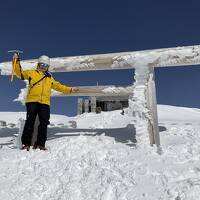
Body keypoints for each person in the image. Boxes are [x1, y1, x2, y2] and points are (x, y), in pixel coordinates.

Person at [13, 53, 79, 151]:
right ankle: (25, 143)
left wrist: (70, 89)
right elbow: (19, 73)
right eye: (41, 65)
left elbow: (59, 86)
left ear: (48, 67)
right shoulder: (31, 73)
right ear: (38, 65)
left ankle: (40, 144)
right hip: (32, 101)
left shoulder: (49, 78)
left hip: (45, 103)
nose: (43, 67)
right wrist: (16, 61)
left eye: (45, 65)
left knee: (44, 123)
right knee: (30, 122)